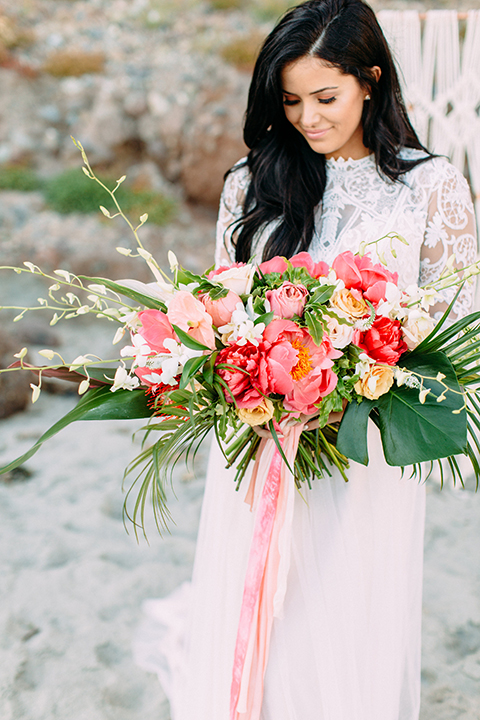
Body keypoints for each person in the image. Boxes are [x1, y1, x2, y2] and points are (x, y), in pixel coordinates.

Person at [134, 1, 477, 719]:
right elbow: (218, 304)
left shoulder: (430, 185)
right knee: (266, 598)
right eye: (289, 101)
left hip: (367, 438)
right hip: (265, 433)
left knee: (346, 597)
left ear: (371, 82)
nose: (307, 119)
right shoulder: (251, 181)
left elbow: (458, 315)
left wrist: (368, 356)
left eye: (326, 98)